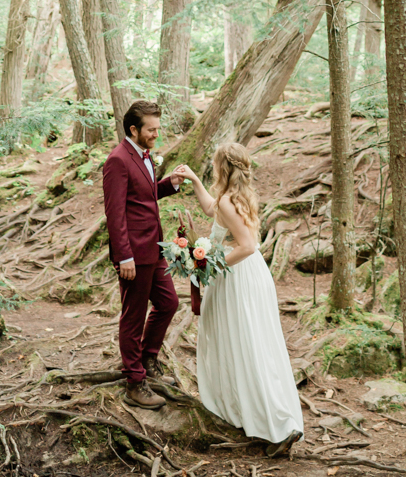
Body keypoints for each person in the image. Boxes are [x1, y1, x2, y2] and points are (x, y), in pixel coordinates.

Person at [174, 143, 304, 445]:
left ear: (224, 167)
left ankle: (273, 426)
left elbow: (246, 246)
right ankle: (246, 415)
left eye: (216, 163)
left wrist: (205, 265)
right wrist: (194, 180)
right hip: (246, 274)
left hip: (237, 276)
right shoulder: (232, 197)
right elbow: (211, 209)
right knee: (243, 342)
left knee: (247, 345)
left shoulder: (230, 202)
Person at [102, 99, 182, 410]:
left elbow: (144, 196)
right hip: (134, 254)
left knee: (168, 303)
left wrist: (169, 184)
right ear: (133, 129)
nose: (156, 134)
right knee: (133, 316)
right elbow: (115, 213)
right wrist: (124, 257)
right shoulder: (118, 160)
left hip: (154, 247)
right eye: (151, 130)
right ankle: (135, 382)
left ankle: (149, 360)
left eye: (158, 128)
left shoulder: (144, 157)